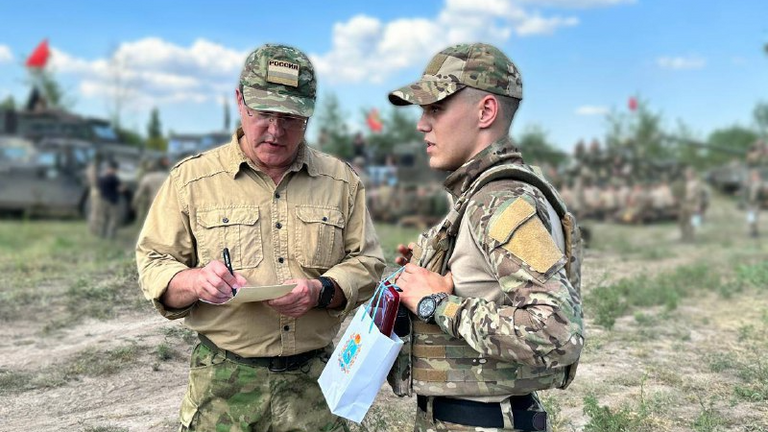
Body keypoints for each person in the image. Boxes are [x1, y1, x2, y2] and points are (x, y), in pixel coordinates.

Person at [135, 44, 385, 432]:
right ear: (240, 101)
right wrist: (195, 281)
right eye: (264, 113)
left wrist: (322, 289)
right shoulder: (192, 181)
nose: (275, 130)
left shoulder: (341, 182)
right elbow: (154, 260)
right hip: (224, 386)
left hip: (314, 386)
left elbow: (368, 263)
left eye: (290, 117)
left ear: (309, 112)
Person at [387, 43, 584, 432]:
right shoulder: (479, 195)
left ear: (486, 111)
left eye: (436, 109)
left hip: (482, 418)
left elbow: (557, 331)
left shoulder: (500, 202)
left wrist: (435, 304)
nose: (421, 124)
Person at [131, 156, 169, 222]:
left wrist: (134, 203)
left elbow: (139, 193)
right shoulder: (167, 177)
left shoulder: (148, 178)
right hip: (165, 202)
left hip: (153, 201)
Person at [97, 159, 122, 239]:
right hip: (112, 201)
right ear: (114, 169)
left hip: (103, 200)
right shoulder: (114, 178)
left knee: (104, 218)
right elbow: (120, 189)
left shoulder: (101, 178)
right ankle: (111, 236)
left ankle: (102, 234)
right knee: (114, 219)